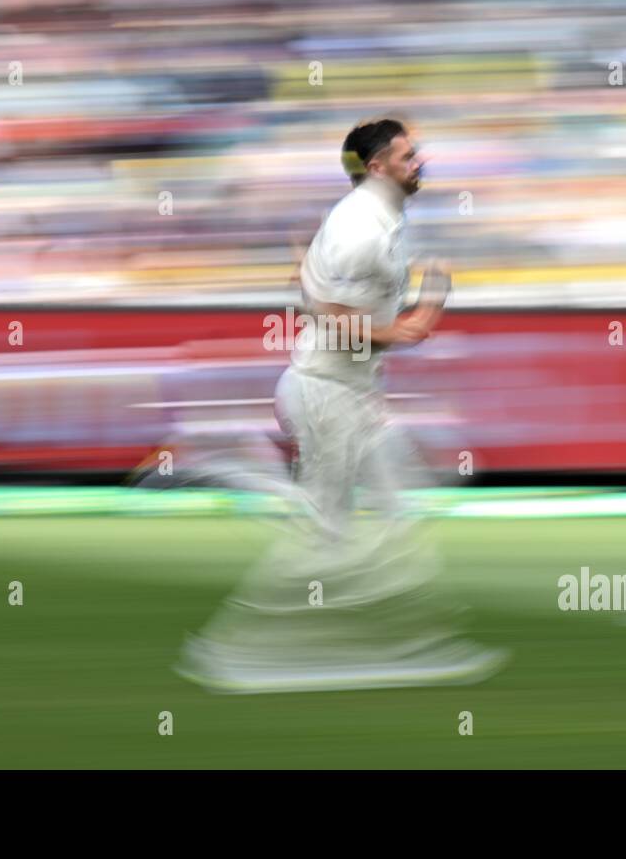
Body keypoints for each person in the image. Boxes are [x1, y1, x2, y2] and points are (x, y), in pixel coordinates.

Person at [175, 118, 506, 693]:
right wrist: (421, 320)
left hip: (346, 395)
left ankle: (418, 644)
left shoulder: (370, 217)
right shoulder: (362, 230)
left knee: (399, 507)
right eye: (408, 154)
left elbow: (312, 296)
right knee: (325, 538)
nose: (419, 160)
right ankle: (231, 650)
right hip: (329, 396)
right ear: (377, 167)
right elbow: (334, 325)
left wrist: (314, 277)